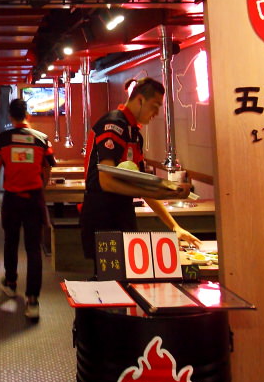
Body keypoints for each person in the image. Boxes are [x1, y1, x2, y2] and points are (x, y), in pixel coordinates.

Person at [79, 77, 199, 262]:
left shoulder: (133, 133)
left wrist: (174, 226)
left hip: (122, 212)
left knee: (127, 273)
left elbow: (143, 183)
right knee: (111, 276)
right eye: (155, 106)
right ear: (140, 100)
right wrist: (157, 192)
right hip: (102, 214)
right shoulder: (113, 125)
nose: (156, 113)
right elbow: (106, 181)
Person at [0, 97, 55, 321]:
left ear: (10, 116)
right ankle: (32, 300)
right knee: (34, 249)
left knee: (11, 242)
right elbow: (48, 168)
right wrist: (41, 188)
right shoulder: (42, 139)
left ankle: (11, 283)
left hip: (12, 199)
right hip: (34, 199)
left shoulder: (3, 139)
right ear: (28, 115)